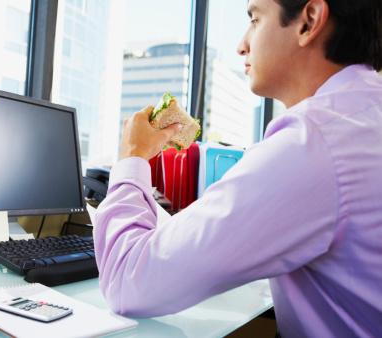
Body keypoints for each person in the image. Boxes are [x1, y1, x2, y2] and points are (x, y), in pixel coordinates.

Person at [93, 0, 382, 337]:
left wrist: (133, 156)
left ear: (309, 21)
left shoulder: (313, 142)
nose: (241, 44)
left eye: (255, 19)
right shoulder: (364, 115)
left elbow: (127, 280)